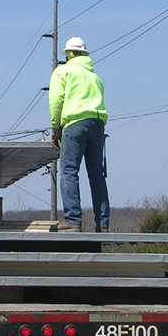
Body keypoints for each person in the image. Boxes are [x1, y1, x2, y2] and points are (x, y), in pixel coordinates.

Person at [48, 36, 109, 232]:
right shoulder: (95, 77)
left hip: (74, 124)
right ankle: (103, 223)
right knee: (96, 174)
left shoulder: (63, 72)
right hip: (98, 124)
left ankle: (73, 220)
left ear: (69, 54)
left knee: (69, 171)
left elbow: (56, 100)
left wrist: (56, 129)